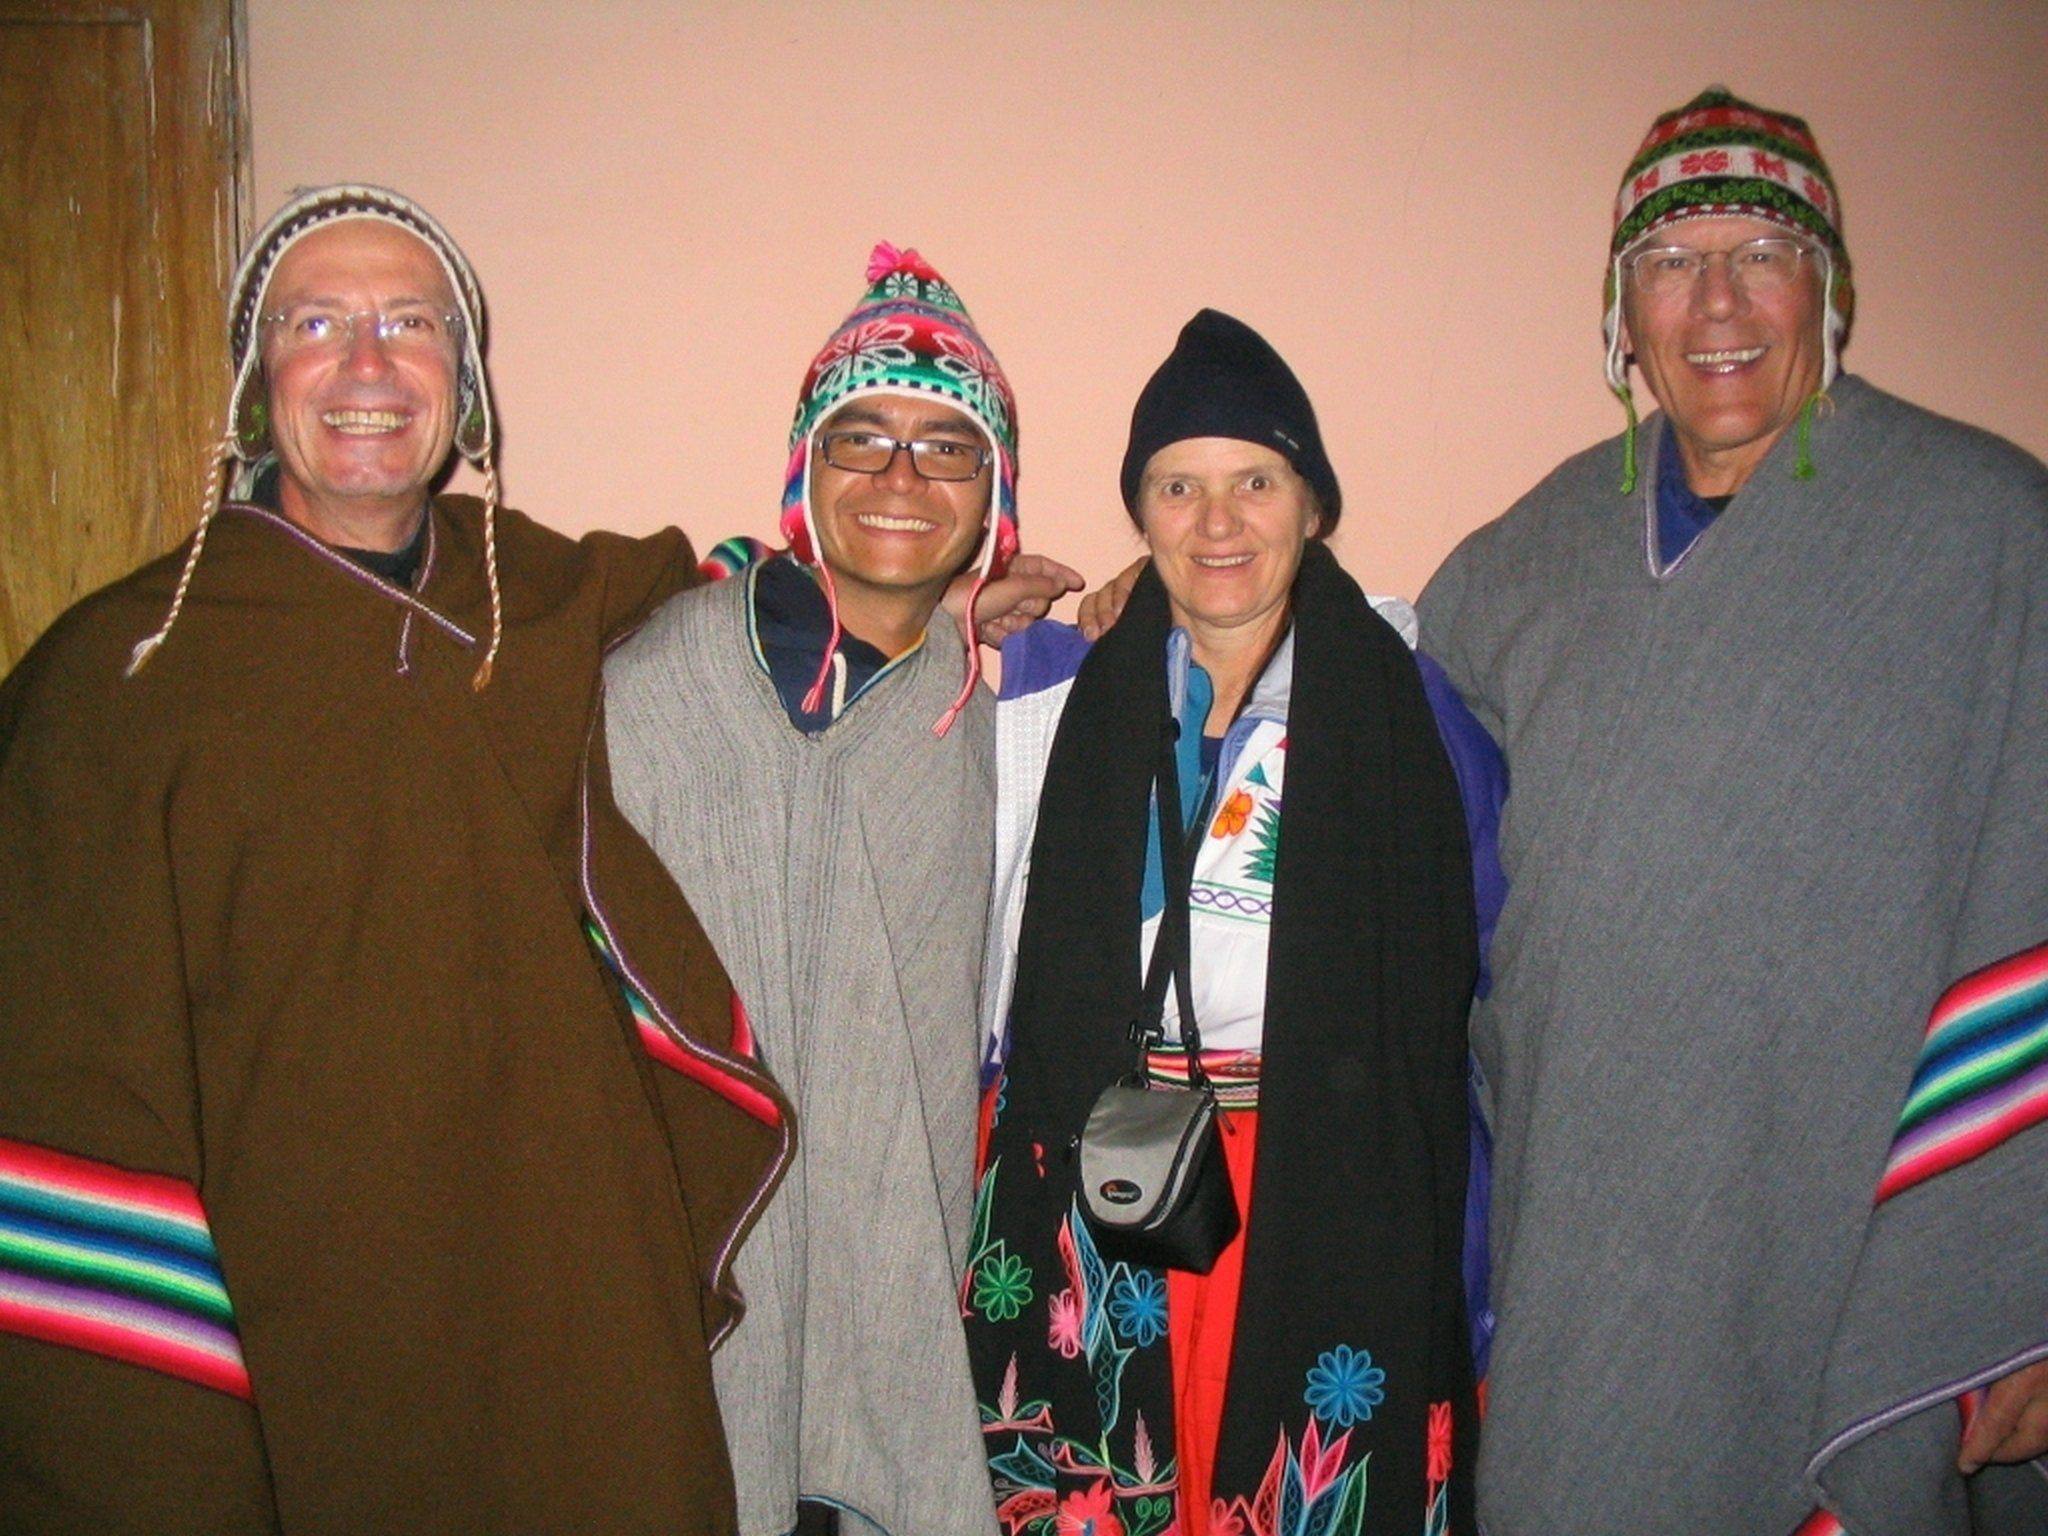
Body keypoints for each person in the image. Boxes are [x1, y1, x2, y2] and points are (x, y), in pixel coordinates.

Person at [0, 184, 798, 1533]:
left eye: (412, 324)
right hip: (297, 1320)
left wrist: (933, 594)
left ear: (465, 389)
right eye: (318, 323)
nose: (368, 365)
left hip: (567, 1292)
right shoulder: (114, 681)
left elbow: (716, 573)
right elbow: (62, 1084)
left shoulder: (527, 593)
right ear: (258, 387)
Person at [1415, 89, 2048, 1534]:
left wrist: (2024, 1290)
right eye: (1668, 258)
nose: (1714, 301)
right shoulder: (1523, 563)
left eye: (1759, 247)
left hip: (1866, 1238)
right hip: (1591, 1230)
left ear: (1829, 283)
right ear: (1618, 312)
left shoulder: (1991, 536)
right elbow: (1398, 768)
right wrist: (1178, 625)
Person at [966, 310, 1502, 1536]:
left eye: (1253, 481)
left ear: (1311, 504)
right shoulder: (1075, 691)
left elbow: (1465, 999)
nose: (1216, 524)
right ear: (1141, 516)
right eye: (1177, 487)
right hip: (1115, 1173)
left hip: (1323, 1185)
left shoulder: (1409, 709)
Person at [604, 244, 1071, 1536]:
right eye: (861, 436)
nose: (902, 479)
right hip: (678, 1295)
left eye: (949, 447)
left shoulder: (1003, 700)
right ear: (805, 467)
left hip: (898, 1285)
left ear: (997, 496)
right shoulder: (654, 679)